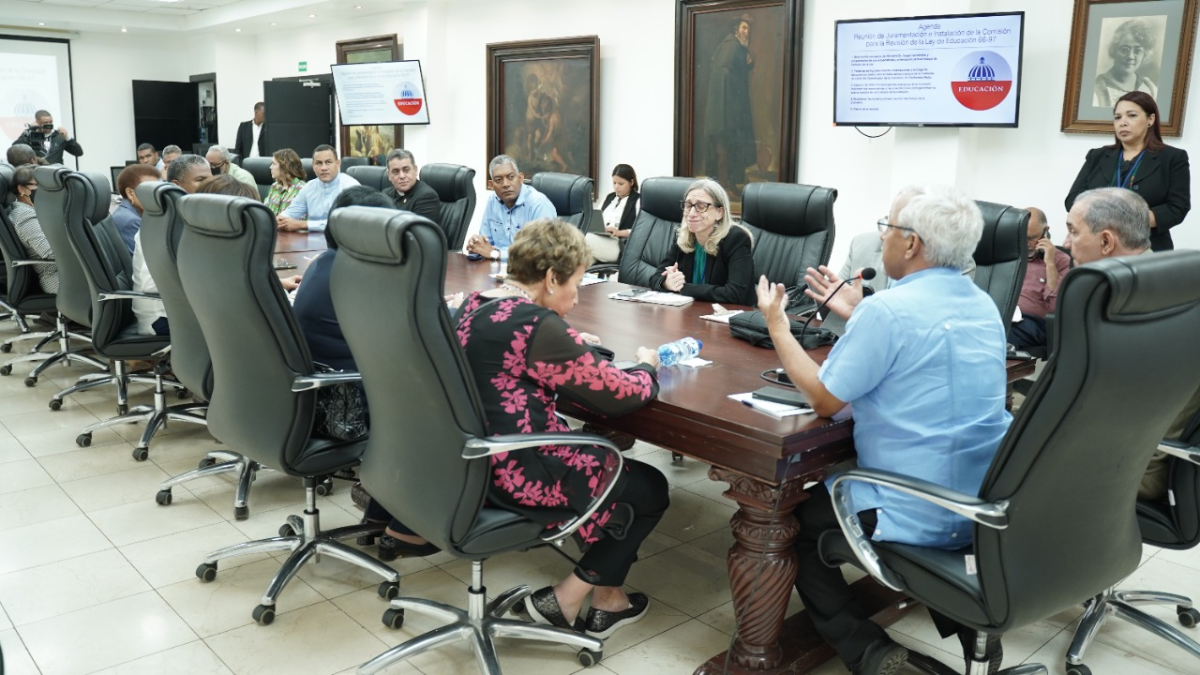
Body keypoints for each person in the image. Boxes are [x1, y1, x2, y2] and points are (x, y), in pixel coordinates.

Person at [760, 184, 1011, 675]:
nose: (884, 240)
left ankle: (870, 653)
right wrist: (861, 314)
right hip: (988, 504)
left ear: (913, 244)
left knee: (791, 524)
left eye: (889, 230)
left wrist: (777, 328)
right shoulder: (983, 305)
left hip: (917, 507)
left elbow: (825, 399)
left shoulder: (888, 311)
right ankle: (971, 629)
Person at [455, 218, 667, 638]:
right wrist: (648, 365)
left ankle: (609, 600)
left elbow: (505, 353)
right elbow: (619, 395)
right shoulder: (538, 326)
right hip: (521, 472)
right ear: (551, 278)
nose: (576, 296)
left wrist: (565, 336)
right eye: (577, 282)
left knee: (608, 474)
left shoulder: (474, 303)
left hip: (471, 464)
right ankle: (568, 597)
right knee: (649, 489)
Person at [1063, 187, 1185, 503]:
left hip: (1129, 469)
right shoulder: (1166, 282)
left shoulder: (1130, 311)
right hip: (1135, 453)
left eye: (1073, 232)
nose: (1066, 244)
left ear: (1106, 241)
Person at [1066, 91, 1190, 251]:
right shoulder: (1097, 155)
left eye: (1131, 115)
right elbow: (1072, 200)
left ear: (1150, 119)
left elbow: (1177, 208)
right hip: (1095, 246)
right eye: (1117, 117)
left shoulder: (1172, 157)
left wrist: (1128, 220)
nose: (1122, 122)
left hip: (1147, 248)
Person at [131, 155, 212, 335]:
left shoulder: (184, 219)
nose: (209, 185)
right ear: (176, 185)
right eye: (200, 180)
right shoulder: (165, 225)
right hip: (162, 317)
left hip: (178, 310)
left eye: (210, 178)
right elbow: (149, 284)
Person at [650, 178, 754, 305]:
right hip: (690, 313)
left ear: (719, 212)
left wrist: (682, 287)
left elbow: (735, 294)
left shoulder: (736, 238)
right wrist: (667, 283)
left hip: (725, 317)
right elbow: (655, 278)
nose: (692, 213)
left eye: (701, 206)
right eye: (688, 205)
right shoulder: (682, 237)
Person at [465, 154, 556, 261]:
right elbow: (486, 241)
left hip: (529, 271)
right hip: (497, 269)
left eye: (510, 177)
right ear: (491, 184)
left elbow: (542, 252)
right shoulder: (492, 200)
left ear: (520, 178)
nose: (505, 184)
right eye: (498, 180)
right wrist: (477, 247)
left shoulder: (539, 204)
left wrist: (496, 254)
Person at [704, 14, 756, 196]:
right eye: (743, 28)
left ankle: (729, 184)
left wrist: (748, 64)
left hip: (727, 110)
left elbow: (735, 73)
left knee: (730, 147)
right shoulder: (732, 47)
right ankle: (726, 185)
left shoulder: (736, 47)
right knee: (725, 149)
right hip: (727, 111)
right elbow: (726, 77)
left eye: (748, 29)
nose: (746, 32)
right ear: (736, 30)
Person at [1010, 207, 1071, 350]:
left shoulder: (1061, 261)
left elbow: (1056, 308)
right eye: (1021, 236)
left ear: (1045, 231)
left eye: (1031, 238)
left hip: (1034, 323)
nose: (1025, 243)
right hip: (1002, 316)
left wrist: (1050, 263)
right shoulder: (1008, 254)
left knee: (998, 334)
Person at [277, 144, 360, 232]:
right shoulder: (309, 187)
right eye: (318, 163)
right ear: (313, 166)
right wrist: (277, 221)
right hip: (312, 241)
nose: (323, 168)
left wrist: (303, 225)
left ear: (337, 164)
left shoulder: (351, 187)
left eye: (328, 162)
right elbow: (289, 213)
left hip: (342, 241)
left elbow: (345, 223)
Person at [7, 164, 57, 294]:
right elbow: (50, 252)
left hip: (65, 269)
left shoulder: (35, 208)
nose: (44, 190)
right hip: (55, 276)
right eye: (38, 185)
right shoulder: (24, 216)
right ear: (22, 188)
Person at [1093, 19, 1160, 107]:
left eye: (1137, 51)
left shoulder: (1149, 88)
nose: (1130, 57)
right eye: (1124, 49)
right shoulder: (1096, 89)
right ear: (1114, 50)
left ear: (1145, 54)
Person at [584, 164, 640, 264]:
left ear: (631, 182)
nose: (616, 187)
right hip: (600, 240)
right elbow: (596, 217)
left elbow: (641, 231)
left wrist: (619, 232)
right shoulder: (609, 197)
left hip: (618, 245)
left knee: (583, 238)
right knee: (580, 261)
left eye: (621, 184)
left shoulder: (638, 201)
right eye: (614, 183)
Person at [381, 148, 441, 225]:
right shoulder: (385, 194)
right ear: (389, 175)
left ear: (415, 170)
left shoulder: (427, 196)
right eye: (396, 172)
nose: (402, 176)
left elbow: (419, 233)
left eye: (406, 170)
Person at [111, 164, 162, 254]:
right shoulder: (130, 221)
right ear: (130, 193)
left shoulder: (131, 212)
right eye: (150, 190)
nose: (156, 195)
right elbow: (146, 260)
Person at [13, 110, 82, 164]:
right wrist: (31, 131)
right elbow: (15, 148)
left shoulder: (59, 135)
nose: (49, 125)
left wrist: (67, 137)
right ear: (37, 122)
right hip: (36, 173)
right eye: (46, 122)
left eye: (51, 122)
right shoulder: (31, 135)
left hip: (55, 173)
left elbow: (78, 152)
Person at [264, 149, 306, 216]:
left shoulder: (302, 189)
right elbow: (265, 212)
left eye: (273, 164)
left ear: (285, 167)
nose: (270, 167)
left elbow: (301, 219)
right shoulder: (274, 187)